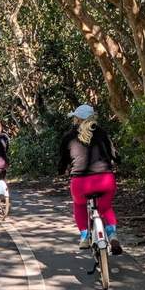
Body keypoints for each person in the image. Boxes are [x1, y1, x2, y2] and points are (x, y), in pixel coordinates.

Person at [58, 104, 123, 255]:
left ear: (78, 119)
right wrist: (117, 160)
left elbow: (63, 160)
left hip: (81, 183)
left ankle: (85, 236)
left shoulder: (68, 136)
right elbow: (114, 153)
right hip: (105, 180)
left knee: (79, 205)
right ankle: (112, 235)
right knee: (105, 208)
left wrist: (61, 170)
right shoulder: (102, 133)